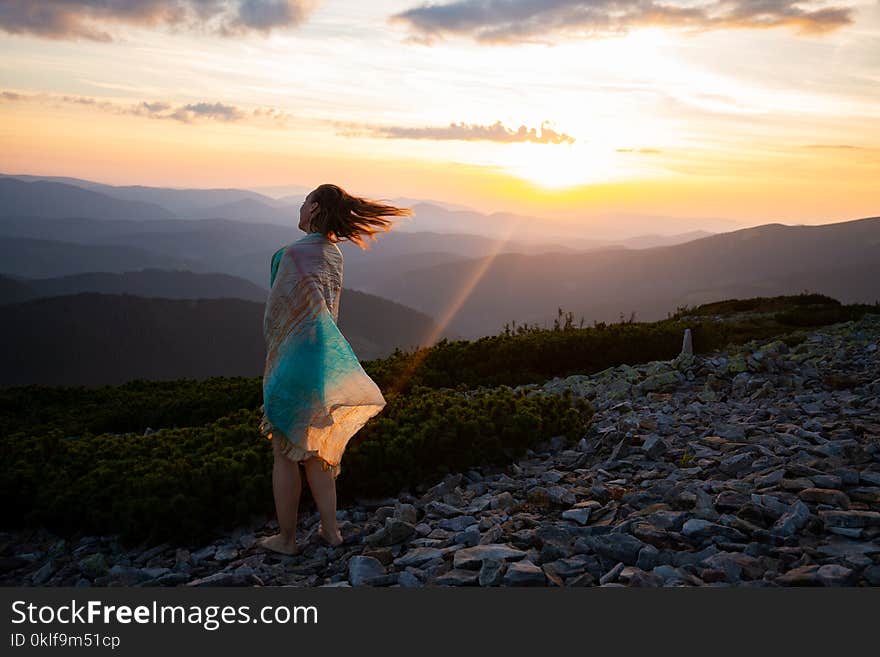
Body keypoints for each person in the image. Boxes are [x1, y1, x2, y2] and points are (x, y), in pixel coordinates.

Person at [257, 184, 414, 556]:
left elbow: (277, 314)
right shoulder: (334, 255)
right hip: (322, 362)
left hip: (293, 361)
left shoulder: (290, 254)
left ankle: (287, 539)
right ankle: (331, 531)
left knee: (284, 451)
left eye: (303, 201)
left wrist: (279, 349)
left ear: (313, 209)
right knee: (316, 449)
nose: (299, 207)